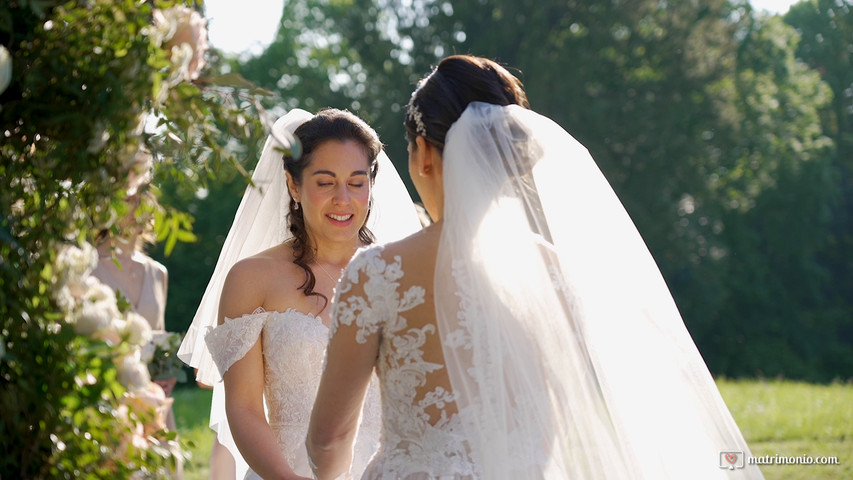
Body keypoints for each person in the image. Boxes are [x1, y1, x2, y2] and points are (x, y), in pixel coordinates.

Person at [307, 55, 764, 479]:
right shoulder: (554, 270)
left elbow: (330, 436)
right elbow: (553, 422)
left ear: (424, 153)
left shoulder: (378, 272)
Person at [177, 108, 422, 479]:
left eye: (357, 183)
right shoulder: (251, 279)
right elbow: (243, 408)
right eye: (325, 182)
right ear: (294, 185)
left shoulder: (404, 275)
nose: (343, 199)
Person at [93, 188, 176, 429]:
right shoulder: (88, 267)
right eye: (128, 198)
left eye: (143, 197)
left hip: (152, 405)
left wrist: (167, 371)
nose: (137, 206)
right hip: (106, 401)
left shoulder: (158, 273)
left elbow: (160, 340)